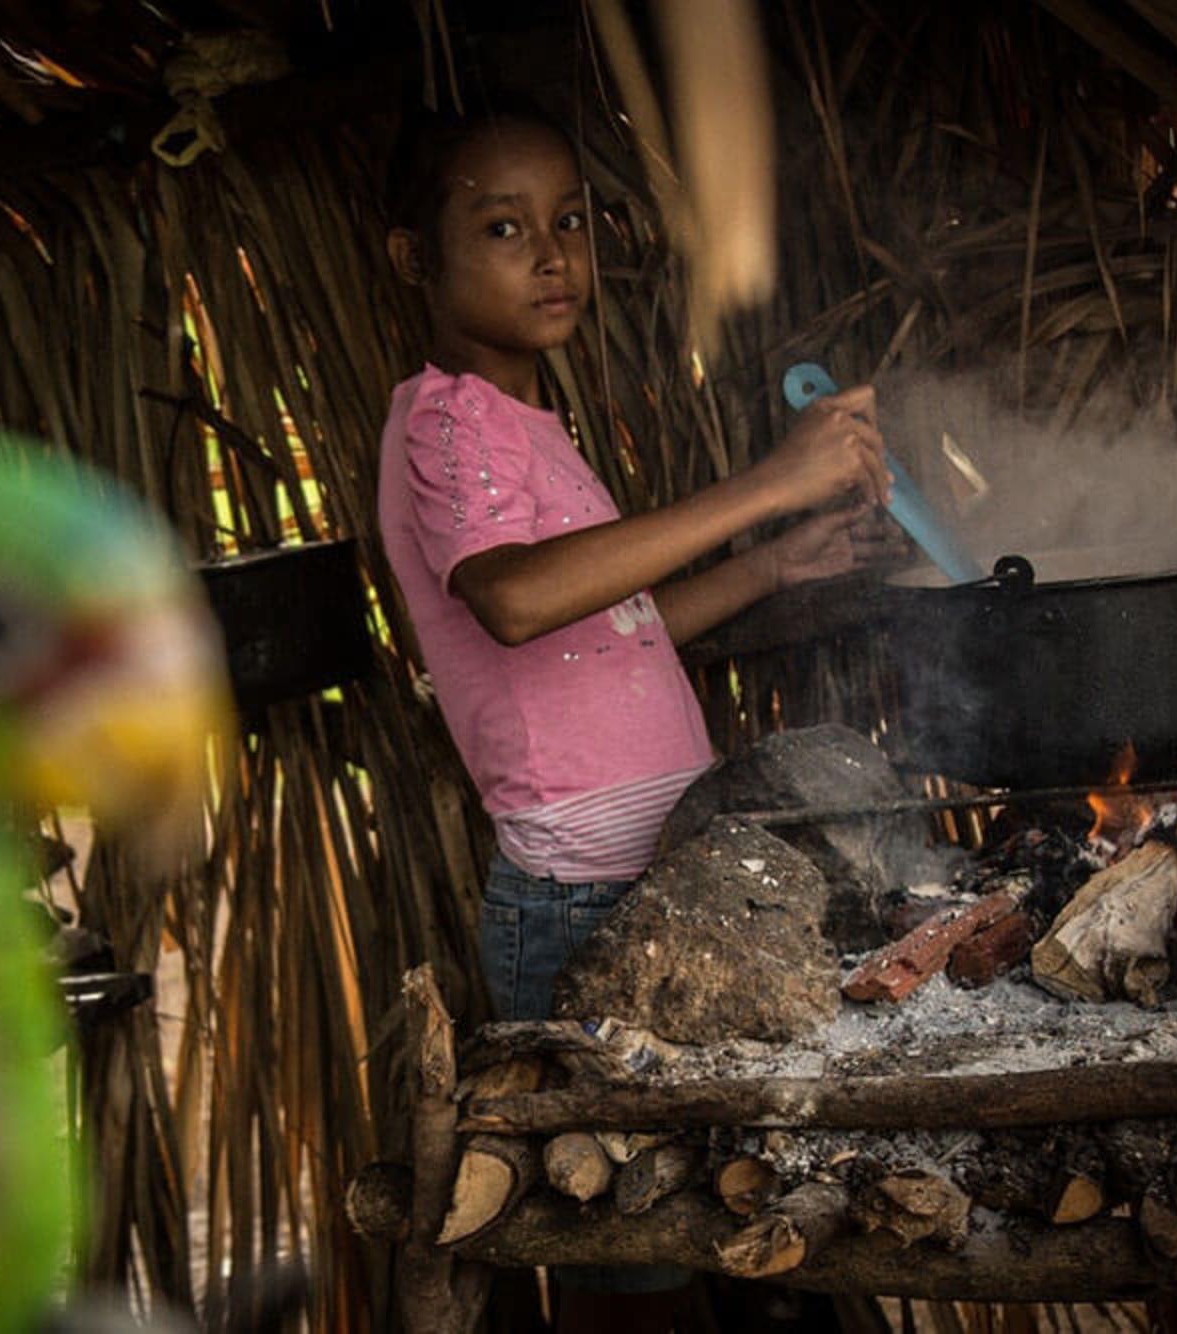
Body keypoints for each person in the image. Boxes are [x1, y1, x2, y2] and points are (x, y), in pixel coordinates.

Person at [375, 101, 897, 1330]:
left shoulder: (521, 428)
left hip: (663, 886)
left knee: (704, 1224)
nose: (552, 253)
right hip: (577, 905)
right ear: (412, 258)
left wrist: (774, 562)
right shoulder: (444, 421)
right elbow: (515, 600)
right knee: (631, 1267)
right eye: (504, 227)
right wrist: (768, 480)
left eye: (569, 221)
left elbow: (610, 622)